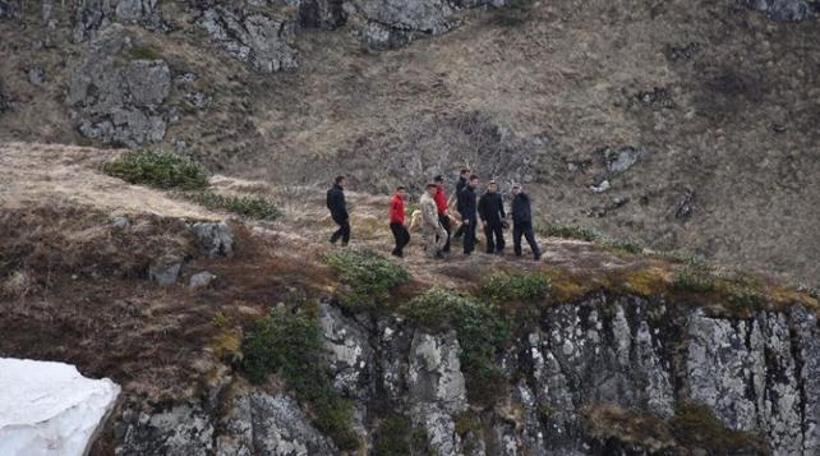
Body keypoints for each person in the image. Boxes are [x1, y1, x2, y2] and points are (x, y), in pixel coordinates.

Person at [511, 184, 541, 261]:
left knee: (530, 239)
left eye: (517, 189)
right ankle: (518, 255)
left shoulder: (524, 197)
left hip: (526, 223)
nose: (515, 190)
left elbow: (524, 195)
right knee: (516, 240)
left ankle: (537, 253)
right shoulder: (514, 200)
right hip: (517, 224)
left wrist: (520, 191)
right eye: (514, 189)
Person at [420, 183, 447, 259]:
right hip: (429, 224)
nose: (435, 192)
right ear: (428, 190)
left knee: (444, 235)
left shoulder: (430, 198)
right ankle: (430, 258)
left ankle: (437, 250)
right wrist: (435, 224)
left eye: (435, 190)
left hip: (435, 221)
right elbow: (428, 215)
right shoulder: (425, 200)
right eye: (433, 190)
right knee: (431, 241)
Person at [478, 180, 506, 254]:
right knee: (489, 236)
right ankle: (490, 250)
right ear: (488, 187)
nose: (493, 188)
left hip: (496, 218)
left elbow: (501, 207)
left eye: (494, 187)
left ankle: (500, 248)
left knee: (499, 234)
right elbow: (480, 209)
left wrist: (503, 216)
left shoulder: (498, 196)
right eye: (491, 186)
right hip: (487, 219)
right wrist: (483, 219)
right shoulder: (484, 197)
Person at [458, 175, 479, 255]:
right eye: (475, 182)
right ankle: (466, 251)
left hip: (473, 215)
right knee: (468, 233)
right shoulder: (464, 191)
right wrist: (465, 217)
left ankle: (471, 248)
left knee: (472, 233)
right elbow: (462, 206)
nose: (476, 184)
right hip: (467, 216)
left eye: (477, 182)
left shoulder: (473, 192)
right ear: (470, 181)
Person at [326, 175, 350, 246]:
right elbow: (341, 206)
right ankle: (342, 245)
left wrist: (333, 210)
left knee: (344, 228)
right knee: (346, 229)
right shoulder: (339, 193)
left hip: (333, 213)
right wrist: (346, 216)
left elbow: (328, 204)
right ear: (340, 182)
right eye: (344, 181)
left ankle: (332, 241)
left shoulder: (330, 191)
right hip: (340, 214)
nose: (345, 183)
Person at [389, 186, 410, 257]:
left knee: (406, 238)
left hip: (399, 223)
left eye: (403, 192)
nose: (402, 194)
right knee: (400, 240)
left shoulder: (400, 200)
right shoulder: (395, 201)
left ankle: (397, 252)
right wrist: (401, 221)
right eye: (400, 192)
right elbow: (394, 214)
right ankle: (396, 254)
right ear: (397, 192)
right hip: (395, 224)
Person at [433, 175, 451, 253]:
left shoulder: (441, 191)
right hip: (437, 215)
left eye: (442, 182)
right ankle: (437, 250)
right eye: (440, 182)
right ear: (436, 182)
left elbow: (444, 202)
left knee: (447, 231)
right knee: (439, 233)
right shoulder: (433, 192)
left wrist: (446, 209)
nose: (442, 183)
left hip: (444, 214)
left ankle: (446, 248)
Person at [452, 168, 471, 240]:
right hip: (462, 206)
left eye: (469, 175)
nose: (468, 176)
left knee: (466, 221)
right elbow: (460, 196)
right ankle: (458, 236)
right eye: (467, 175)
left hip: (466, 205)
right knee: (466, 221)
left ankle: (458, 235)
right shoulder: (460, 183)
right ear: (462, 174)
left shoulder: (465, 183)